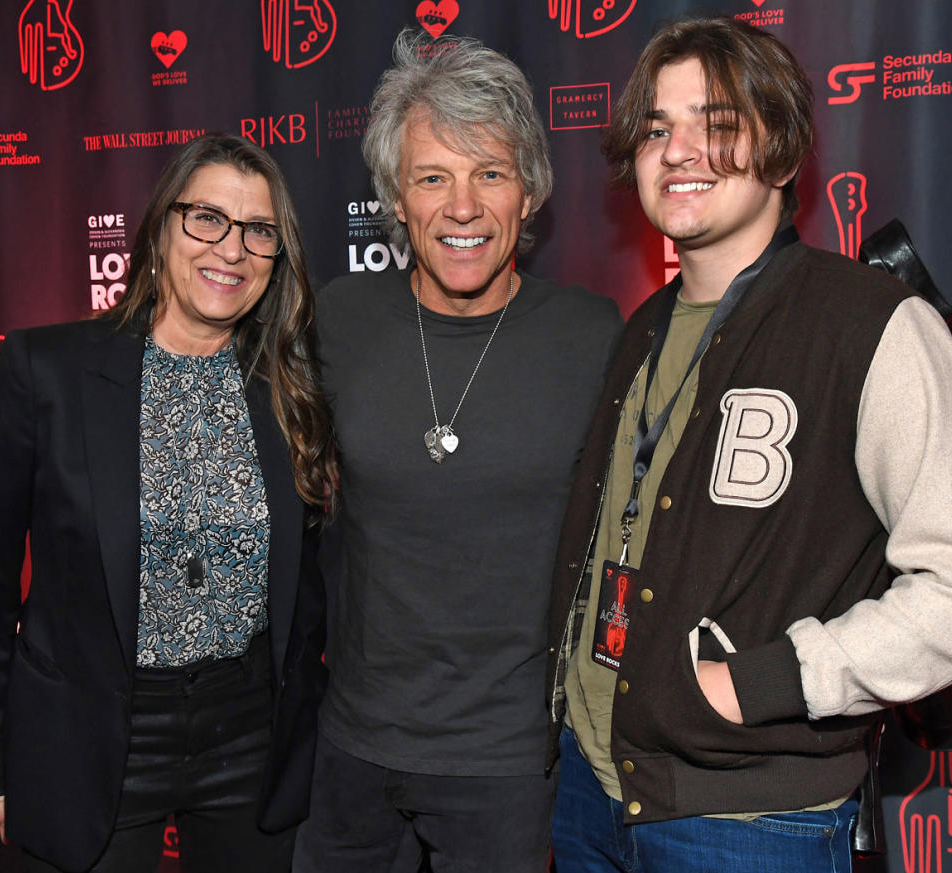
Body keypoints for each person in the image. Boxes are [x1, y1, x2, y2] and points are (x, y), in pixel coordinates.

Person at [545, 16, 952, 873]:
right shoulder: (642, 328)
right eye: (658, 127)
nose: (679, 148)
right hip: (590, 785)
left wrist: (765, 680)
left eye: (717, 123)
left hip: (752, 819)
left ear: (783, 148)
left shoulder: (873, 323)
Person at [0, 133, 334, 873]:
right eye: (207, 218)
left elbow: (315, 581)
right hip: (90, 738)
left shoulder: (289, 387)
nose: (233, 248)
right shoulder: (45, 372)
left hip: (247, 736)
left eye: (259, 232)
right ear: (160, 229)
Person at [292, 30, 621, 873]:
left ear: (531, 192)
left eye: (490, 174)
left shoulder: (591, 335)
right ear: (395, 199)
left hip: (508, 762)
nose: (462, 206)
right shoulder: (340, 320)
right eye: (432, 177)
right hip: (353, 747)